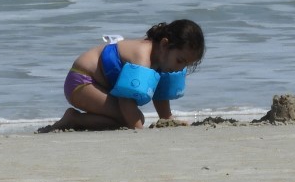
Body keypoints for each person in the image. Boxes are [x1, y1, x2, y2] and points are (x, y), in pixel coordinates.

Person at [37, 19, 205, 132]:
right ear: (164, 44)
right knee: (132, 119)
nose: (180, 68)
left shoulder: (160, 58)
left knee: (131, 117)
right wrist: (139, 130)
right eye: (180, 60)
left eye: (186, 65)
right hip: (81, 82)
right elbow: (126, 101)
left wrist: (167, 119)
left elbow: (160, 94)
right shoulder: (142, 56)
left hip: (100, 87)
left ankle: (80, 119)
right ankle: (74, 118)